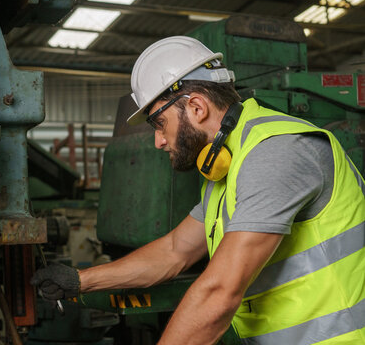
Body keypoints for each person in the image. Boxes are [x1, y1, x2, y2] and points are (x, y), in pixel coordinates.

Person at [31, 36, 365, 344]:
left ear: (196, 107)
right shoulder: (229, 165)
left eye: (159, 124)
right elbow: (175, 250)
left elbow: (219, 293)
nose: (159, 141)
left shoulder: (274, 152)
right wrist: (80, 280)